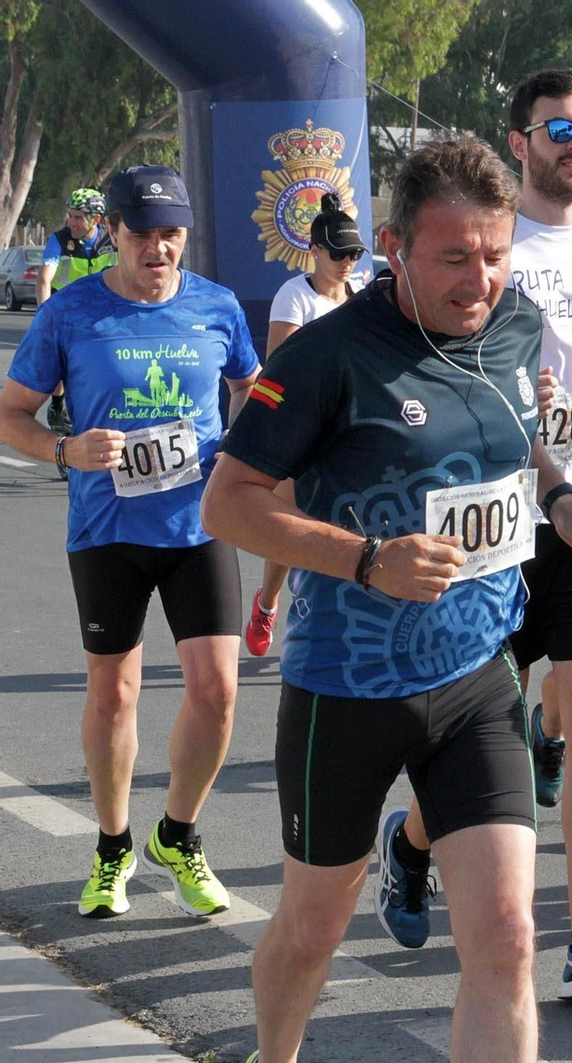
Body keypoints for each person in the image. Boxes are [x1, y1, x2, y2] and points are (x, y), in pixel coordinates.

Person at [202, 134, 572, 1062]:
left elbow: (520, 436)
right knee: (313, 928)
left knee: (509, 941)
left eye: (495, 253)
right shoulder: (327, 356)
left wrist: (562, 502)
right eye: (453, 258)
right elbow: (225, 502)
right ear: (395, 246)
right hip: (347, 687)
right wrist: (364, 559)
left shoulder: (515, 322)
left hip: (478, 676)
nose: (480, 279)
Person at [365, 67, 572, 998]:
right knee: (483, 723)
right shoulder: (491, 235)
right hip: (489, 511)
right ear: (522, 138)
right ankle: (410, 838)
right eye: (560, 130)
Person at [0, 165, 259, 921]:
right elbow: (12, 411)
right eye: (142, 233)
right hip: (107, 527)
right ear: (111, 230)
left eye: (171, 233)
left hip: (198, 524)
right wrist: (61, 451)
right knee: (114, 691)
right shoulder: (71, 313)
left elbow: (252, 383)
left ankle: (177, 834)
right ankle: (112, 845)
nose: (158, 248)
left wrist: (242, 447)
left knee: (217, 692)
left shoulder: (215, 307)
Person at [243, 194, 367, 658]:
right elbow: (279, 368)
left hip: (353, 431)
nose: (347, 263)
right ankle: (269, 603)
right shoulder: (294, 296)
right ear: (314, 250)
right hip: (306, 430)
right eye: (338, 254)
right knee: (293, 529)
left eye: (354, 254)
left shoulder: (365, 292)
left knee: (355, 526)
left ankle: (340, 617)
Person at [38, 188, 117, 460]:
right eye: (70, 216)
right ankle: (57, 403)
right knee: (61, 363)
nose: (71, 222)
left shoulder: (111, 240)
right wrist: (44, 315)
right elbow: (44, 279)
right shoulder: (59, 240)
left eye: (77, 217)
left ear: (95, 220)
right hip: (65, 309)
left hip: (99, 310)